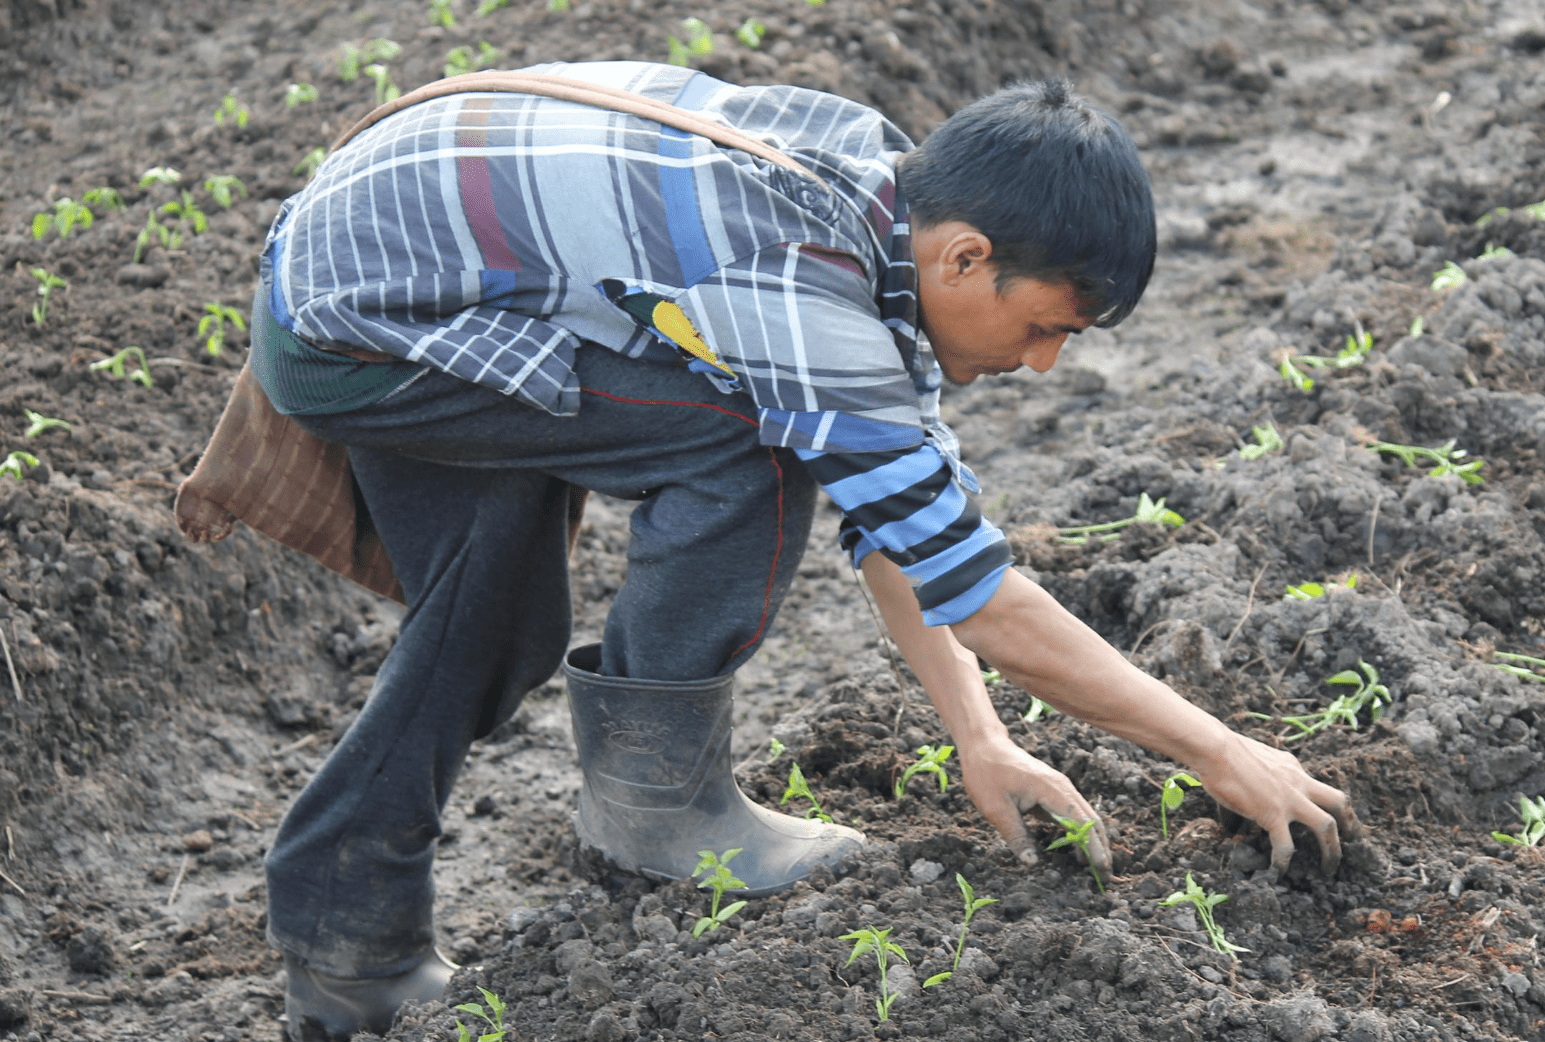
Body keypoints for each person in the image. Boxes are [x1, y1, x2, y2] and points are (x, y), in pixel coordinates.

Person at [229, 60, 1358, 1041]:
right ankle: (658, 808)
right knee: (751, 447)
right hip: (365, 327)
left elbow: (905, 526)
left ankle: (347, 943)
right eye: (1048, 326)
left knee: (498, 616)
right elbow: (983, 596)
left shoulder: (884, 196)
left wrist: (981, 737)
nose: (1047, 363)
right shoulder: (805, 280)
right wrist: (1219, 751)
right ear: (967, 259)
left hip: (400, 279)